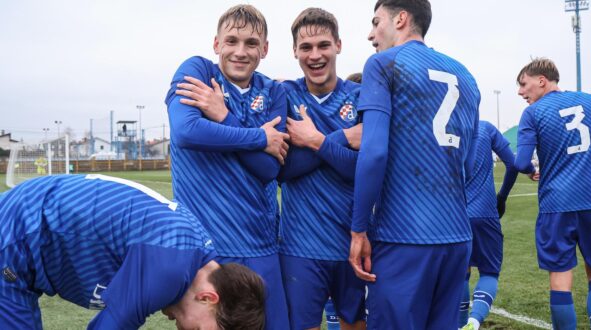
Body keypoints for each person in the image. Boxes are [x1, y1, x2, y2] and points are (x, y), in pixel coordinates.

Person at [348, 0, 480, 328]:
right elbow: (471, 162)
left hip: (404, 236)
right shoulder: (466, 74)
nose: (371, 34)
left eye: (377, 22)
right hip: (456, 236)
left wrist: (358, 227)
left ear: (402, 19)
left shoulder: (382, 64)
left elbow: (374, 152)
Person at [0, 174, 265, 330]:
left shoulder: (195, 254)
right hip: (16, 233)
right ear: (208, 298)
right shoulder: (169, 269)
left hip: (29, 232)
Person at [165, 5, 290, 329]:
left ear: (264, 49)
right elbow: (187, 131)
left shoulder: (274, 91)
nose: (240, 51)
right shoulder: (196, 71)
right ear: (217, 43)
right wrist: (257, 137)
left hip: (260, 245)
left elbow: (268, 169)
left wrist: (222, 117)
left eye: (251, 43)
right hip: (206, 249)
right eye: (231, 41)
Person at [277, 8, 365, 330]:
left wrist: (313, 140)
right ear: (295, 51)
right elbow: (282, 170)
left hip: (353, 244)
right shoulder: (284, 95)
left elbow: (362, 170)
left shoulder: (360, 96)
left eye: (323, 45)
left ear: (338, 45)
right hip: (300, 249)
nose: (315, 55)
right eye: (306, 47)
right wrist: (339, 139)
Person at [514, 58, 591, 329]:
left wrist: (530, 169)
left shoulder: (533, 113)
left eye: (523, 84)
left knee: (560, 279)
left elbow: (520, 162)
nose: (520, 91)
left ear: (542, 80)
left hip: (556, 204)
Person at [459, 121, 518, 330]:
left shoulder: (445, 128)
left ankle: (460, 324)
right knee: (489, 272)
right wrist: (501, 198)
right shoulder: (485, 128)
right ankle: (474, 322)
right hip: (484, 212)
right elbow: (513, 164)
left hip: (452, 215)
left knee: (460, 274)